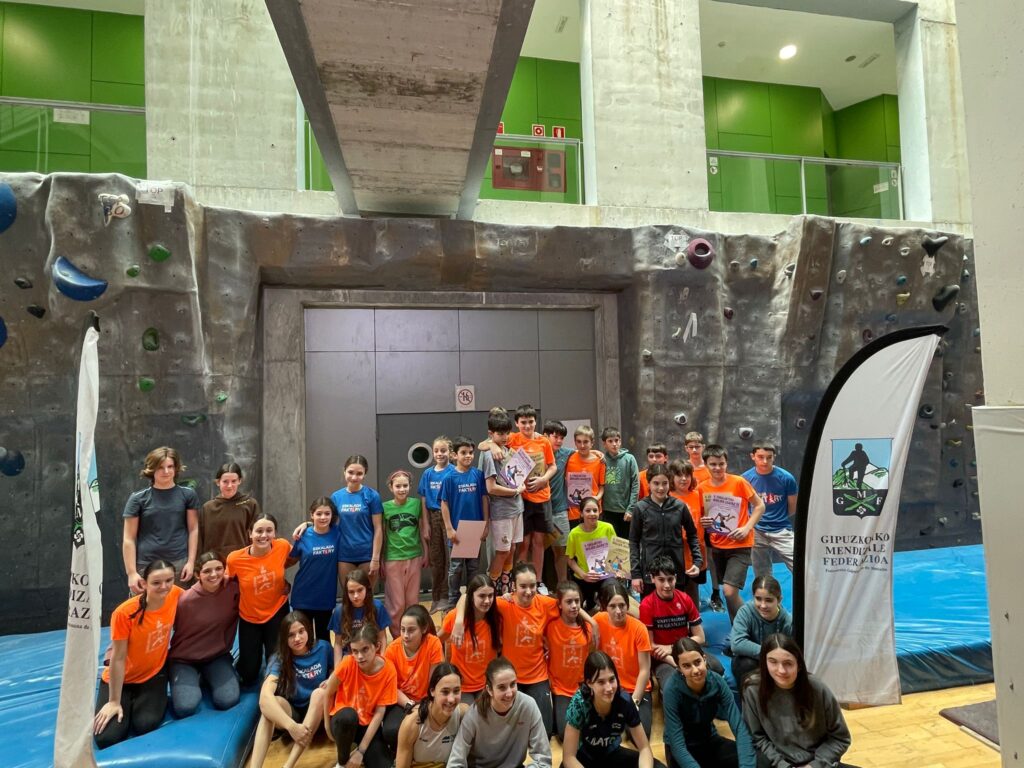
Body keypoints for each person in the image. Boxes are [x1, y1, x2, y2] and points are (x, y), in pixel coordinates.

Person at [452, 561, 599, 736]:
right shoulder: (504, 604)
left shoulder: (543, 603)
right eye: (523, 586)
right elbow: (467, 596)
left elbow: (567, 602)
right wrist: (459, 620)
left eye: (532, 586)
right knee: (508, 730)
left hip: (537, 676)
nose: (528, 591)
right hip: (510, 676)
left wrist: (592, 621)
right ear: (514, 586)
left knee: (545, 731)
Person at [93, 560, 183, 748]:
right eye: (156, 582)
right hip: (123, 679)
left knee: (145, 724)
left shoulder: (175, 594)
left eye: (169, 580)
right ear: (144, 584)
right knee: (107, 737)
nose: (164, 587)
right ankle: (123, 700)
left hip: (153, 674)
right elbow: (118, 658)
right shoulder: (124, 613)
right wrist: (114, 701)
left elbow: (200, 595)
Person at [742, 634, 853, 768]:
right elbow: (756, 738)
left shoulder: (818, 689)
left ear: (799, 665)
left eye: (788, 663)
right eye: (773, 662)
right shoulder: (752, 689)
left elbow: (840, 738)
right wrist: (783, 765)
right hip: (776, 763)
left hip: (816, 762)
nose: (781, 670)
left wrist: (814, 765)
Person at [247, 611, 332, 768]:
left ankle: (288, 766)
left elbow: (337, 670)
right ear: (284, 638)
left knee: (319, 693)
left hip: (319, 712)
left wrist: (330, 679)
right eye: (291, 635)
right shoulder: (279, 658)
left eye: (301, 631)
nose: (297, 638)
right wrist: (292, 727)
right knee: (270, 707)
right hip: (293, 715)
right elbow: (264, 698)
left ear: (308, 630)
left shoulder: (323, 648)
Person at [562, 651, 664, 768]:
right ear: (589, 683)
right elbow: (569, 758)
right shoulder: (579, 704)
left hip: (611, 754)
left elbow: (644, 748)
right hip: (584, 758)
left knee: (657, 766)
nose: (609, 688)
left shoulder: (624, 701)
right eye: (601, 682)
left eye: (612, 679)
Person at [168, 551, 240, 717]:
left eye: (218, 569)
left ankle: (207, 676)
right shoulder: (185, 601)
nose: (214, 575)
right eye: (207, 571)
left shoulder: (233, 589)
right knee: (186, 707)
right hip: (184, 659)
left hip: (216, 656)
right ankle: (189, 676)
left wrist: (284, 587)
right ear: (197, 574)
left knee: (227, 700)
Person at [663, 637, 755, 768]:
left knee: (754, 759)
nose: (695, 670)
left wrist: (746, 765)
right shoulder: (671, 689)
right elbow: (677, 744)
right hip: (682, 749)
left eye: (697, 662)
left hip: (708, 740)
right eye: (686, 666)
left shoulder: (717, 682)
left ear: (704, 659)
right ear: (679, 669)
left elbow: (739, 727)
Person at [698, 445, 765, 622]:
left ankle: (753, 622)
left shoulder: (739, 482)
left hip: (740, 544)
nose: (717, 468)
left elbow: (760, 506)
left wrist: (747, 528)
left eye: (721, 464)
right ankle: (737, 628)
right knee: (728, 592)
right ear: (706, 464)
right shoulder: (702, 488)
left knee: (729, 591)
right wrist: (703, 521)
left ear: (726, 463)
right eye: (713, 464)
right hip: (718, 546)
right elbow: (702, 515)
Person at [447, 657, 552, 768]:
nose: (509, 693)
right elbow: (455, 762)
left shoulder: (528, 705)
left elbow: (543, 760)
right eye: (502, 687)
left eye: (513, 684)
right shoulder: (474, 714)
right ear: (489, 690)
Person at [638, 556, 722, 693]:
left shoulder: (685, 599)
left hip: (685, 650)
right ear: (653, 579)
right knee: (672, 685)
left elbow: (700, 637)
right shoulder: (647, 605)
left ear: (676, 578)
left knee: (717, 668)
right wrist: (676, 663)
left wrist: (672, 648)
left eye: (670, 579)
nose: (667, 585)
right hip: (663, 658)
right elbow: (650, 646)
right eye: (661, 580)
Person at [227, 513, 293, 685]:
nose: (264, 535)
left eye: (269, 530)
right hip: (249, 616)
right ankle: (242, 657)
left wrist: (307, 524)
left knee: (276, 667)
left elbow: (297, 556)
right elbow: (227, 584)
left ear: (275, 533)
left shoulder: (282, 546)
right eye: (259, 531)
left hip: (277, 611)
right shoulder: (235, 559)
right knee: (249, 674)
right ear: (250, 533)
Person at [122, 446, 199, 593]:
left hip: (179, 564)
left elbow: (193, 529)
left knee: (177, 606)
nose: (166, 471)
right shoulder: (138, 499)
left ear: (176, 468)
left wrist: (190, 562)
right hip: (146, 565)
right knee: (143, 606)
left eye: (170, 466)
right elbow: (128, 538)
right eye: (160, 467)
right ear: (151, 469)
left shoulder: (188, 495)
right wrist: (131, 573)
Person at [325, 624, 398, 768]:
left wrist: (361, 751)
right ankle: (342, 761)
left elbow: (379, 712)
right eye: (355, 651)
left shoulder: (389, 670)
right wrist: (327, 728)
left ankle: (359, 749)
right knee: (348, 716)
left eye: (365, 649)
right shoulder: (347, 662)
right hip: (343, 720)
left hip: (367, 724)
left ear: (377, 646)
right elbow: (328, 693)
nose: (359, 656)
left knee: (382, 764)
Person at [505, 405, 559, 594]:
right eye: (523, 422)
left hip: (542, 498)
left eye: (530, 422)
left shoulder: (544, 442)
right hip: (522, 499)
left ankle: (538, 581)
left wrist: (544, 479)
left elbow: (553, 466)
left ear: (536, 422)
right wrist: (494, 446)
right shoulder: (512, 439)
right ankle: (520, 581)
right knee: (523, 543)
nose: (527, 426)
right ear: (517, 423)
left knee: (538, 542)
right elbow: (485, 444)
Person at [629, 463, 702, 598]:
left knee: (676, 608)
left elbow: (692, 534)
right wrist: (635, 574)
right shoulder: (640, 508)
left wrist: (697, 561)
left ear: (670, 483)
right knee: (650, 610)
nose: (661, 488)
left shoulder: (679, 506)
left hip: (675, 572)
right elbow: (633, 542)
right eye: (656, 483)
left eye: (665, 483)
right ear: (649, 484)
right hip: (650, 573)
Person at [593, 580, 654, 736]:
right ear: (605, 607)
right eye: (612, 606)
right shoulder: (597, 621)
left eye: (622, 605)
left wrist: (634, 701)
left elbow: (645, 670)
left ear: (628, 605)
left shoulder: (639, 628)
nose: (618, 611)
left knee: (640, 733)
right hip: (609, 687)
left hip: (635, 689)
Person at [382, 605, 444, 750]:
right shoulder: (392, 650)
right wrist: (409, 705)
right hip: (402, 701)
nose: (405, 635)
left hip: (427, 699)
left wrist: (425, 706)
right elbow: (391, 687)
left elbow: (434, 683)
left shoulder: (433, 643)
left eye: (411, 630)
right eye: (402, 629)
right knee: (391, 731)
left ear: (423, 629)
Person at [479, 411, 526, 596]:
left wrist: (521, 485)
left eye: (507, 433)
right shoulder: (488, 454)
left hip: (516, 508)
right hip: (501, 511)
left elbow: (517, 477)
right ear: (491, 434)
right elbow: (490, 488)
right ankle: (492, 589)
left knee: (512, 549)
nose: (505, 437)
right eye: (500, 434)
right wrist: (515, 491)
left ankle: (506, 586)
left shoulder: (508, 450)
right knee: (502, 551)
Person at [440, 436, 489, 610]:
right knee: (456, 568)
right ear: (455, 455)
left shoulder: (478, 475)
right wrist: (449, 528)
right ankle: (452, 602)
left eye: (470, 452)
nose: (468, 456)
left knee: (473, 567)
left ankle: (471, 600)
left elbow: (484, 500)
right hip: (458, 530)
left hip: (474, 528)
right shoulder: (449, 478)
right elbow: (444, 504)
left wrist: (486, 524)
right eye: (463, 452)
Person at [439, 574, 500, 703]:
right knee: (467, 712)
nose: (487, 601)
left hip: (487, 684)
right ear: (472, 597)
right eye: (482, 596)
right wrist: (442, 667)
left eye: (490, 595)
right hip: (462, 686)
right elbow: (436, 641)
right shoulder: (454, 617)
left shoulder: (497, 614)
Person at [289, 496, 342, 643]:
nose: (323, 517)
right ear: (312, 515)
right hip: (302, 596)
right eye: (319, 514)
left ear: (332, 515)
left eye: (327, 513)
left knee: (323, 639)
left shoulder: (338, 532)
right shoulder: (303, 535)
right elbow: (291, 560)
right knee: (303, 640)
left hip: (325, 597)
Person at [741, 442, 798, 578]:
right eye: (760, 457)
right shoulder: (745, 479)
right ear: (753, 456)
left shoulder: (786, 478)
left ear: (774, 457)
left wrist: (778, 518)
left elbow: (793, 507)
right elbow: (743, 506)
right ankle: (765, 593)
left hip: (782, 530)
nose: (765, 461)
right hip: (757, 531)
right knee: (761, 574)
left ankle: (813, 591)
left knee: (801, 567)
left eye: (769, 457)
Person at [395, 663, 468, 768]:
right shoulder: (412, 724)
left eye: (456, 691)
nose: (451, 699)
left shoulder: (463, 714)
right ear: (432, 691)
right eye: (445, 692)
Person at [382, 470, 427, 637]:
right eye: (398, 486)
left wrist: (426, 552)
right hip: (393, 558)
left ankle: (412, 635)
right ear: (391, 487)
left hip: (414, 557)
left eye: (405, 486)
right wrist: (380, 559)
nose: (402, 489)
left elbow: (422, 530)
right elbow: (383, 535)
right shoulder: (385, 507)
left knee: (412, 602)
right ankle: (397, 638)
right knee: (397, 604)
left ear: (410, 486)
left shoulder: (416, 504)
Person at [547, 581, 595, 740]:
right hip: (560, 689)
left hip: (582, 689)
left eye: (577, 601)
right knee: (564, 733)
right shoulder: (550, 626)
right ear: (559, 605)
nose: (574, 606)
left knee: (591, 729)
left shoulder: (588, 628)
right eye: (569, 602)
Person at [730, 576, 793, 689]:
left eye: (768, 600)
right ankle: (748, 697)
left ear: (779, 600)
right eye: (758, 599)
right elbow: (736, 643)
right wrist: (769, 653)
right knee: (746, 665)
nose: (763, 605)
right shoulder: (745, 612)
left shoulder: (787, 621)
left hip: (777, 661)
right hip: (750, 660)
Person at [331, 454, 385, 585]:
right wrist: (307, 524)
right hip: (345, 555)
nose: (354, 477)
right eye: (350, 472)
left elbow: (378, 528)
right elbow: (327, 523)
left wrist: (375, 558)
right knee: (348, 594)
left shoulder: (372, 496)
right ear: (344, 471)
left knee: (366, 594)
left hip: (367, 555)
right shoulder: (336, 497)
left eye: (359, 473)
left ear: (365, 474)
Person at [418, 435, 454, 614]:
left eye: (443, 450)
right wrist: (425, 523)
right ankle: (436, 597)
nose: (440, 454)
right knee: (436, 558)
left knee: (450, 558)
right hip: (433, 517)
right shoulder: (428, 474)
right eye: (436, 451)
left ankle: (447, 597)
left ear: (450, 452)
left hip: (449, 517)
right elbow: (424, 499)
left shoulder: (453, 471)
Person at [683, 433, 720, 612]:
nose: (694, 450)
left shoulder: (710, 468)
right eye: (691, 447)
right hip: (692, 519)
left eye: (697, 446)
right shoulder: (683, 468)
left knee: (711, 557)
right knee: (690, 555)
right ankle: (690, 596)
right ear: (686, 449)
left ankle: (716, 593)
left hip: (710, 517)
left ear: (703, 447)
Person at [199, 461, 260, 562]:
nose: (229, 486)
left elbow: (258, 535)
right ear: (218, 482)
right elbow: (201, 540)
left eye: (234, 481)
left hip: (244, 561)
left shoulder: (250, 504)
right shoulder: (208, 508)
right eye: (225, 481)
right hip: (216, 565)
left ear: (240, 481)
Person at [329, 568, 391, 664]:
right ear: (346, 592)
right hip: (350, 656)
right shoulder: (339, 611)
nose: (356, 596)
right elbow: (338, 643)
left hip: (372, 655)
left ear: (367, 588)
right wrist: (337, 668)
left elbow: (382, 637)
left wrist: (382, 660)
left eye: (360, 590)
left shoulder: (377, 607)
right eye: (351, 592)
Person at [565, 496, 616, 610]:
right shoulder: (574, 533)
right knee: (580, 607)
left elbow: (616, 552)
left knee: (612, 597)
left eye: (595, 510)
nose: (592, 514)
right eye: (588, 511)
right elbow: (570, 559)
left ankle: (600, 601)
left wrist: (617, 570)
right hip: (583, 577)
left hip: (605, 576)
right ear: (581, 513)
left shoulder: (608, 528)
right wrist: (584, 575)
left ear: (599, 511)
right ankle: (592, 600)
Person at [668, 460, 707, 607]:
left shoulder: (698, 494)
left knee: (692, 588)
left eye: (687, 475)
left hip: (694, 549)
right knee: (674, 589)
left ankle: (694, 618)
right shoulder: (667, 497)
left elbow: (706, 516)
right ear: (672, 477)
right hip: (674, 551)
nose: (684, 479)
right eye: (679, 475)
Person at [544, 419, 573, 585]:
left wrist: (598, 453)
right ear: (545, 436)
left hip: (559, 511)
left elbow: (584, 452)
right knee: (535, 549)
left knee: (561, 550)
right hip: (539, 510)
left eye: (562, 438)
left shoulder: (566, 454)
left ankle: (563, 585)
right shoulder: (536, 452)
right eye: (556, 437)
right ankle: (536, 585)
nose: (559, 441)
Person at [600, 427, 639, 539]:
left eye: (616, 440)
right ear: (604, 444)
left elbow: (635, 485)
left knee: (625, 544)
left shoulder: (629, 459)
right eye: (610, 441)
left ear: (620, 441)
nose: (614, 444)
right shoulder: (602, 460)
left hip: (625, 511)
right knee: (610, 544)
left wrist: (631, 509)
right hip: (607, 511)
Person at [565, 424, 606, 523]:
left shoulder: (600, 461)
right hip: (573, 512)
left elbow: (602, 486)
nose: (582, 445)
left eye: (585, 442)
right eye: (579, 441)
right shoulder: (569, 458)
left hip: (593, 510)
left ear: (592, 442)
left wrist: (597, 498)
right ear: (575, 442)